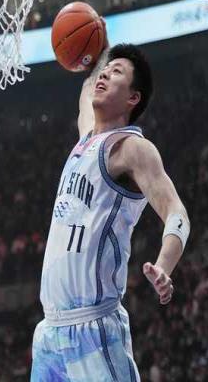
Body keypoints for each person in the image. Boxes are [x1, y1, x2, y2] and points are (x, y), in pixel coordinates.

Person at [30, 37, 190, 381]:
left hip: (95, 330)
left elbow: (177, 212)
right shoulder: (85, 137)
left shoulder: (132, 149)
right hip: (49, 333)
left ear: (133, 98)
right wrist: (99, 41)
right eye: (106, 70)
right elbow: (88, 85)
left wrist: (165, 266)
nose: (104, 75)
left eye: (116, 73)